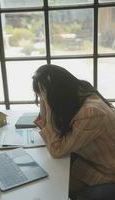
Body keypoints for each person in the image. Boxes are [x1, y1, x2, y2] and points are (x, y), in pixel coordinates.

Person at [32, 64, 115, 199]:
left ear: (56, 92)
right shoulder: (80, 93)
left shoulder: (91, 113)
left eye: (43, 95)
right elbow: (50, 127)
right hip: (89, 160)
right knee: (49, 177)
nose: (42, 99)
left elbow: (57, 150)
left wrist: (47, 103)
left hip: (108, 172)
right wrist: (45, 98)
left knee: (52, 185)